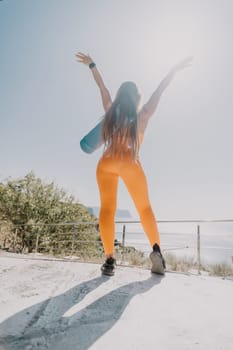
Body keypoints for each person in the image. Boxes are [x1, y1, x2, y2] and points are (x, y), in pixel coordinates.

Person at [76, 52, 193, 276]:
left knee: (107, 210)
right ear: (137, 97)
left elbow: (102, 88)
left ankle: (109, 259)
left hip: (107, 163)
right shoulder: (144, 114)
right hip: (130, 163)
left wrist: (92, 64)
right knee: (145, 208)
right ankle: (156, 251)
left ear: (121, 95)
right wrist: (173, 71)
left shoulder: (111, 111)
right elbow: (159, 91)